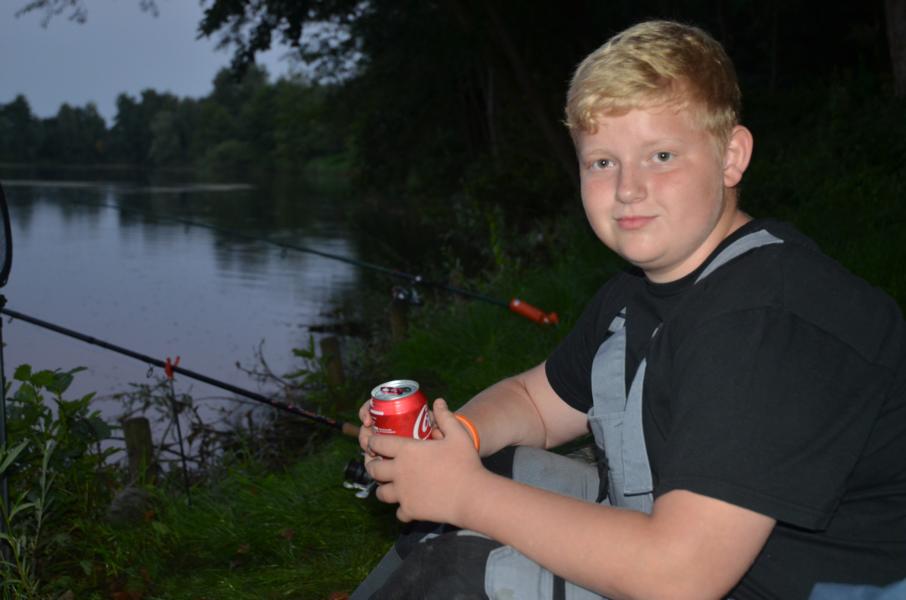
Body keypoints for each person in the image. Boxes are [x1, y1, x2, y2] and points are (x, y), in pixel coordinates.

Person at [352, 19, 906, 600]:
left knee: (455, 573)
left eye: (660, 155)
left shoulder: (764, 317)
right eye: (602, 162)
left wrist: (464, 494)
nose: (627, 189)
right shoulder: (634, 292)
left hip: (784, 583)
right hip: (692, 544)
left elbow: (681, 577)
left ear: (731, 156)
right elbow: (534, 403)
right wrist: (451, 439)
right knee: (485, 468)